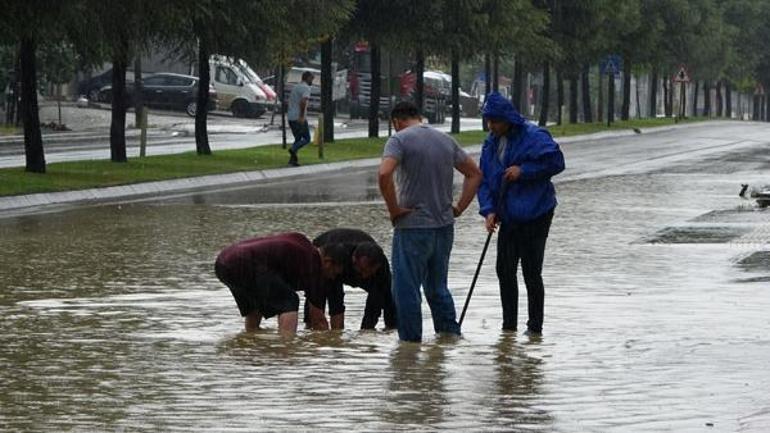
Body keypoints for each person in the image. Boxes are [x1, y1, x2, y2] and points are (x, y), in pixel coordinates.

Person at [378, 100, 482, 342]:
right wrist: (458, 208)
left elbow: (384, 173)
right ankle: (449, 338)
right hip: (444, 227)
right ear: (419, 116)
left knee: (406, 289)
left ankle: (410, 347)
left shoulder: (399, 140)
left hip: (412, 227)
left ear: (396, 122)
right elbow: (475, 173)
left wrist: (394, 210)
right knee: (438, 287)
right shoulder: (445, 140)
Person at [477, 92, 565, 336]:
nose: (491, 126)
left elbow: (556, 162)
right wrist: (489, 210)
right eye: (488, 121)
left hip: (537, 213)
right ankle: (509, 327)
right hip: (508, 216)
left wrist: (524, 171)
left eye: (495, 121)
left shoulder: (534, 136)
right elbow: (484, 180)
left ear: (507, 119)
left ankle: (534, 327)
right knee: (504, 269)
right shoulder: (491, 144)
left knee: (531, 271)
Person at [214, 232, 347, 334]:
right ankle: (286, 347)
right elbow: (317, 319)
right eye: (334, 273)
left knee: (254, 307)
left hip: (223, 262)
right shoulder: (313, 263)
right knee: (290, 301)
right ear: (328, 262)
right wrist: (330, 343)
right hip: (245, 262)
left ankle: (251, 338)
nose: (333, 278)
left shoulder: (302, 245)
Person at [303, 228, 397, 330]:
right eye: (362, 270)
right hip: (327, 253)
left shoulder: (381, 269)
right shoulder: (337, 261)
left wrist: (366, 333)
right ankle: (309, 330)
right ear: (354, 259)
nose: (364, 276)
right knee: (318, 297)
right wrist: (336, 336)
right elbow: (335, 301)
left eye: (369, 273)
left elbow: (374, 306)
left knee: (388, 299)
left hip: (367, 267)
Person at [286, 71, 314, 166]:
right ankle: (293, 149)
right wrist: (302, 116)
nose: (312, 81)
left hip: (291, 116)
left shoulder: (296, 87)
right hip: (299, 117)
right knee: (307, 138)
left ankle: (293, 161)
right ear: (307, 78)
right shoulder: (306, 88)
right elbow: (303, 102)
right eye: (311, 79)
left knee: (298, 139)